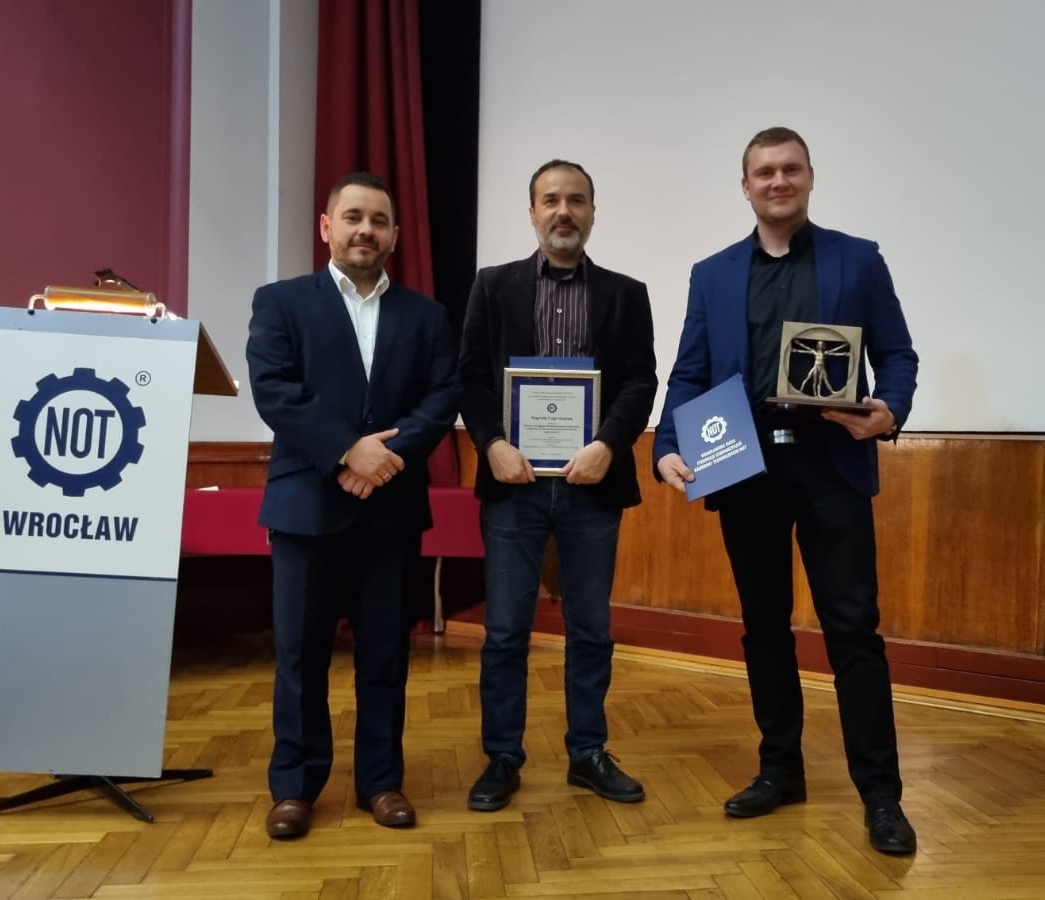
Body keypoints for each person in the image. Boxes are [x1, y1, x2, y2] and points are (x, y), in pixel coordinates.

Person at [653, 127, 921, 855]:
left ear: (809, 177)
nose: (778, 181)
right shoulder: (711, 273)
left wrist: (891, 409)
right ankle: (780, 771)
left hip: (831, 465)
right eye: (764, 171)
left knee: (853, 630)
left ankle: (881, 796)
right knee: (763, 626)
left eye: (790, 169)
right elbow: (689, 372)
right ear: (745, 186)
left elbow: (897, 354)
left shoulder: (857, 259)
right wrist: (668, 445)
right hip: (743, 466)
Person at [246, 171, 459, 837]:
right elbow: (274, 389)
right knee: (300, 656)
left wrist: (381, 461)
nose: (366, 229)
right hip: (305, 506)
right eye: (354, 217)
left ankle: (381, 782)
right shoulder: (280, 302)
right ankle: (294, 787)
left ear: (395, 235)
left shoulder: (427, 316)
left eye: (379, 220)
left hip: (390, 510)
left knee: (386, 655)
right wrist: (346, 452)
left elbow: (442, 397)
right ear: (327, 227)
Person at [457, 159, 658, 811]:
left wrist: (608, 445)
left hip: (592, 485)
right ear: (532, 212)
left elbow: (640, 382)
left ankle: (587, 753)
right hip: (512, 484)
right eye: (550, 200)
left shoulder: (626, 293)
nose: (563, 211)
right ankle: (502, 757)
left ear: (593, 212)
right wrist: (492, 443)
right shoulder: (493, 287)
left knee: (591, 627)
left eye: (576, 200)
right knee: (505, 631)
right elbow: (470, 379)